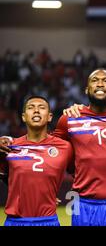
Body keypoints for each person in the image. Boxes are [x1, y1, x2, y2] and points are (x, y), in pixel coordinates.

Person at [1, 69, 106, 226]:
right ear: (86, 90)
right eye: (95, 80)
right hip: (82, 205)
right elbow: (47, 152)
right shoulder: (69, 119)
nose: (100, 84)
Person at [0, 96, 73, 226]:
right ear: (23, 117)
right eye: (31, 107)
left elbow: (83, 168)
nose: (36, 111)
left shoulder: (64, 147)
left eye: (41, 107)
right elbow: (6, 177)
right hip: (15, 221)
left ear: (50, 116)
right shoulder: (8, 147)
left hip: (48, 221)